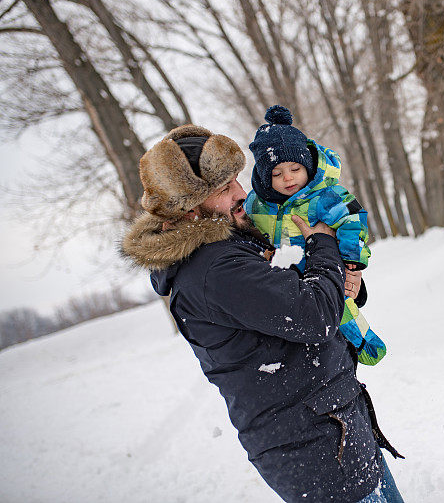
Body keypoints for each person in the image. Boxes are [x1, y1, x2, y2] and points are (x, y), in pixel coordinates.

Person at [122, 124, 403, 503]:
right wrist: (323, 242)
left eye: (236, 180)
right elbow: (315, 315)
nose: (241, 193)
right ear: (188, 209)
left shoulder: (229, 245)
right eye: (224, 189)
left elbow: (298, 294)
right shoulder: (214, 270)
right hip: (318, 453)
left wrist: (346, 276)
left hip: (337, 429)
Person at [246, 105, 386, 366]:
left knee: (342, 310)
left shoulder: (323, 195)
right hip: (287, 276)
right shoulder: (256, 205)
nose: (287, 178)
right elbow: (247, 230)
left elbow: (352, 219)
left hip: (325, 269)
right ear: (266, 179)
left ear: (308, 167)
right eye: (277, 174)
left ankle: (368, 347)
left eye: (295, 169)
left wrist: (352, 259)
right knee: (312, 324)